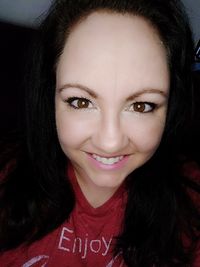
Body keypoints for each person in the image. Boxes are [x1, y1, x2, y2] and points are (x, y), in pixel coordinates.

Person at [0, 0, 200, 266]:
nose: (110, 141)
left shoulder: (193, 206)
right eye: (81, 102)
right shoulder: (5, 177)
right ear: (50, 95)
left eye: (141, 106)